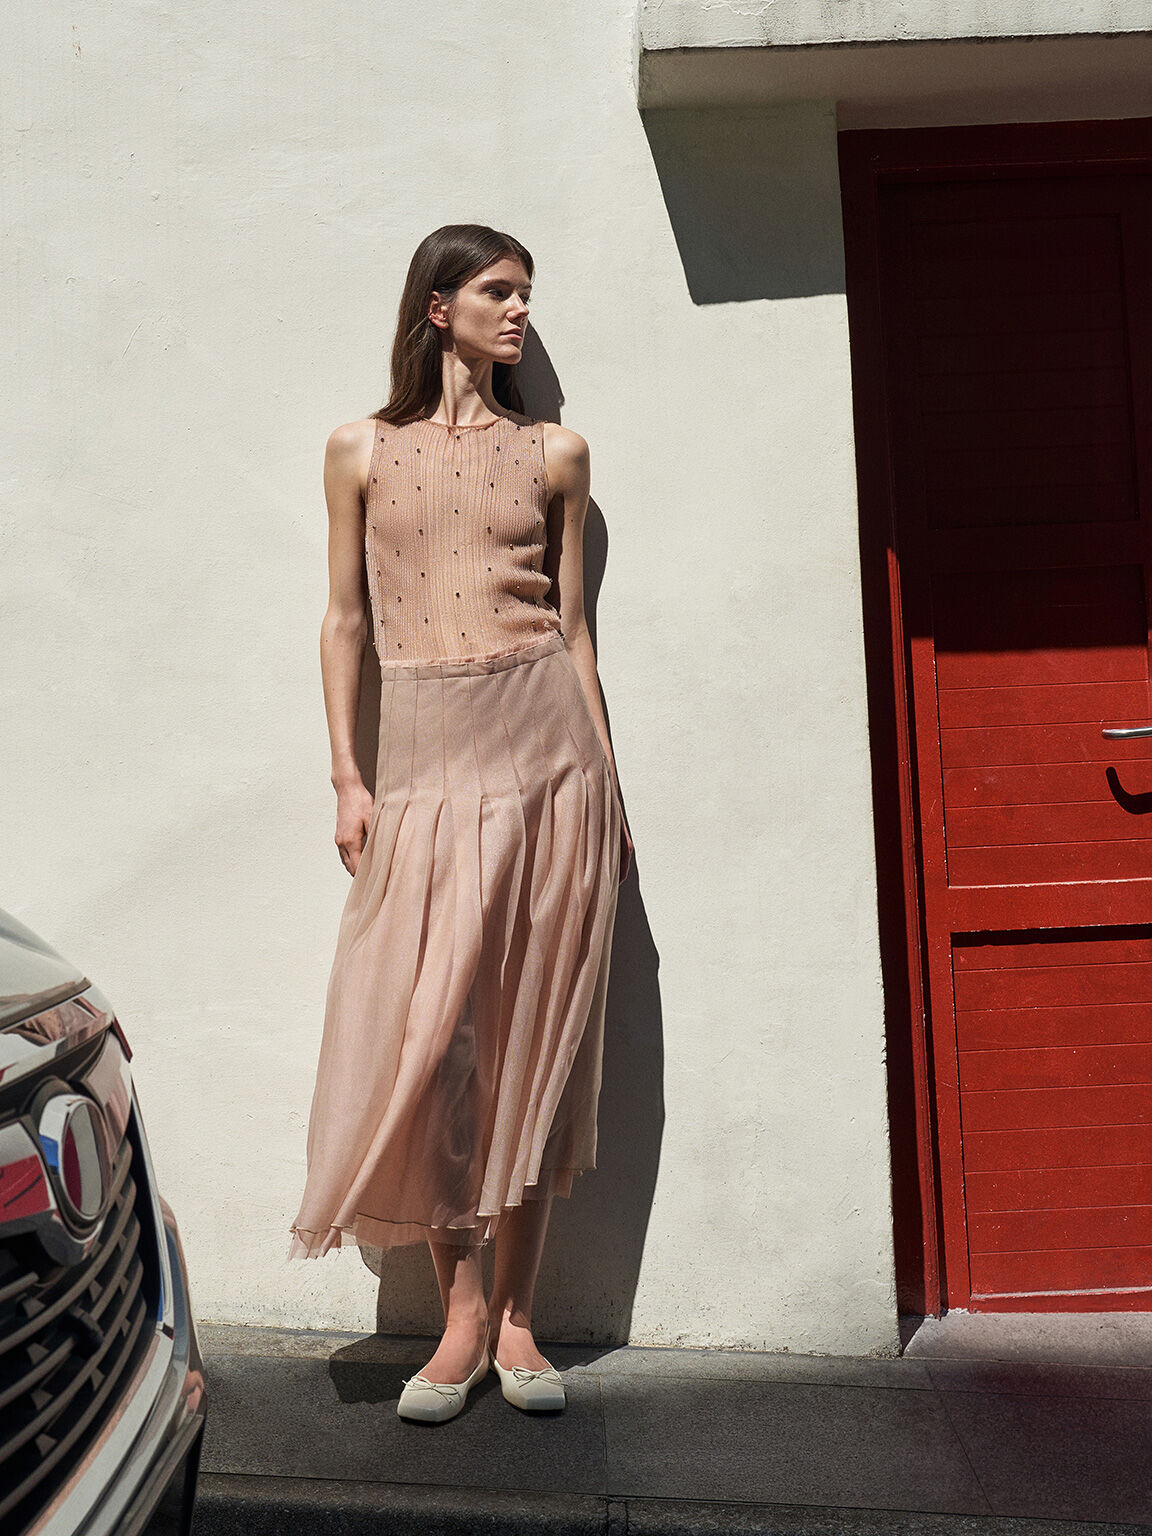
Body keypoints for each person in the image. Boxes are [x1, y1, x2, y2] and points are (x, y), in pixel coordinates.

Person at [287, 224, 633, 1423]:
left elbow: (575, 633)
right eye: (497, 290)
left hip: (549, 757)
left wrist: (612, 790)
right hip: (424, 756)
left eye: (526, 293)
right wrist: (346, 773)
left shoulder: (556, 455)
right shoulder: (361, 450)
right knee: (437, 1049)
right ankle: (461, 1317)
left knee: (534, 1040)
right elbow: (342, 622)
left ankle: (522, 1321)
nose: (518, 311)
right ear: (439, 308)